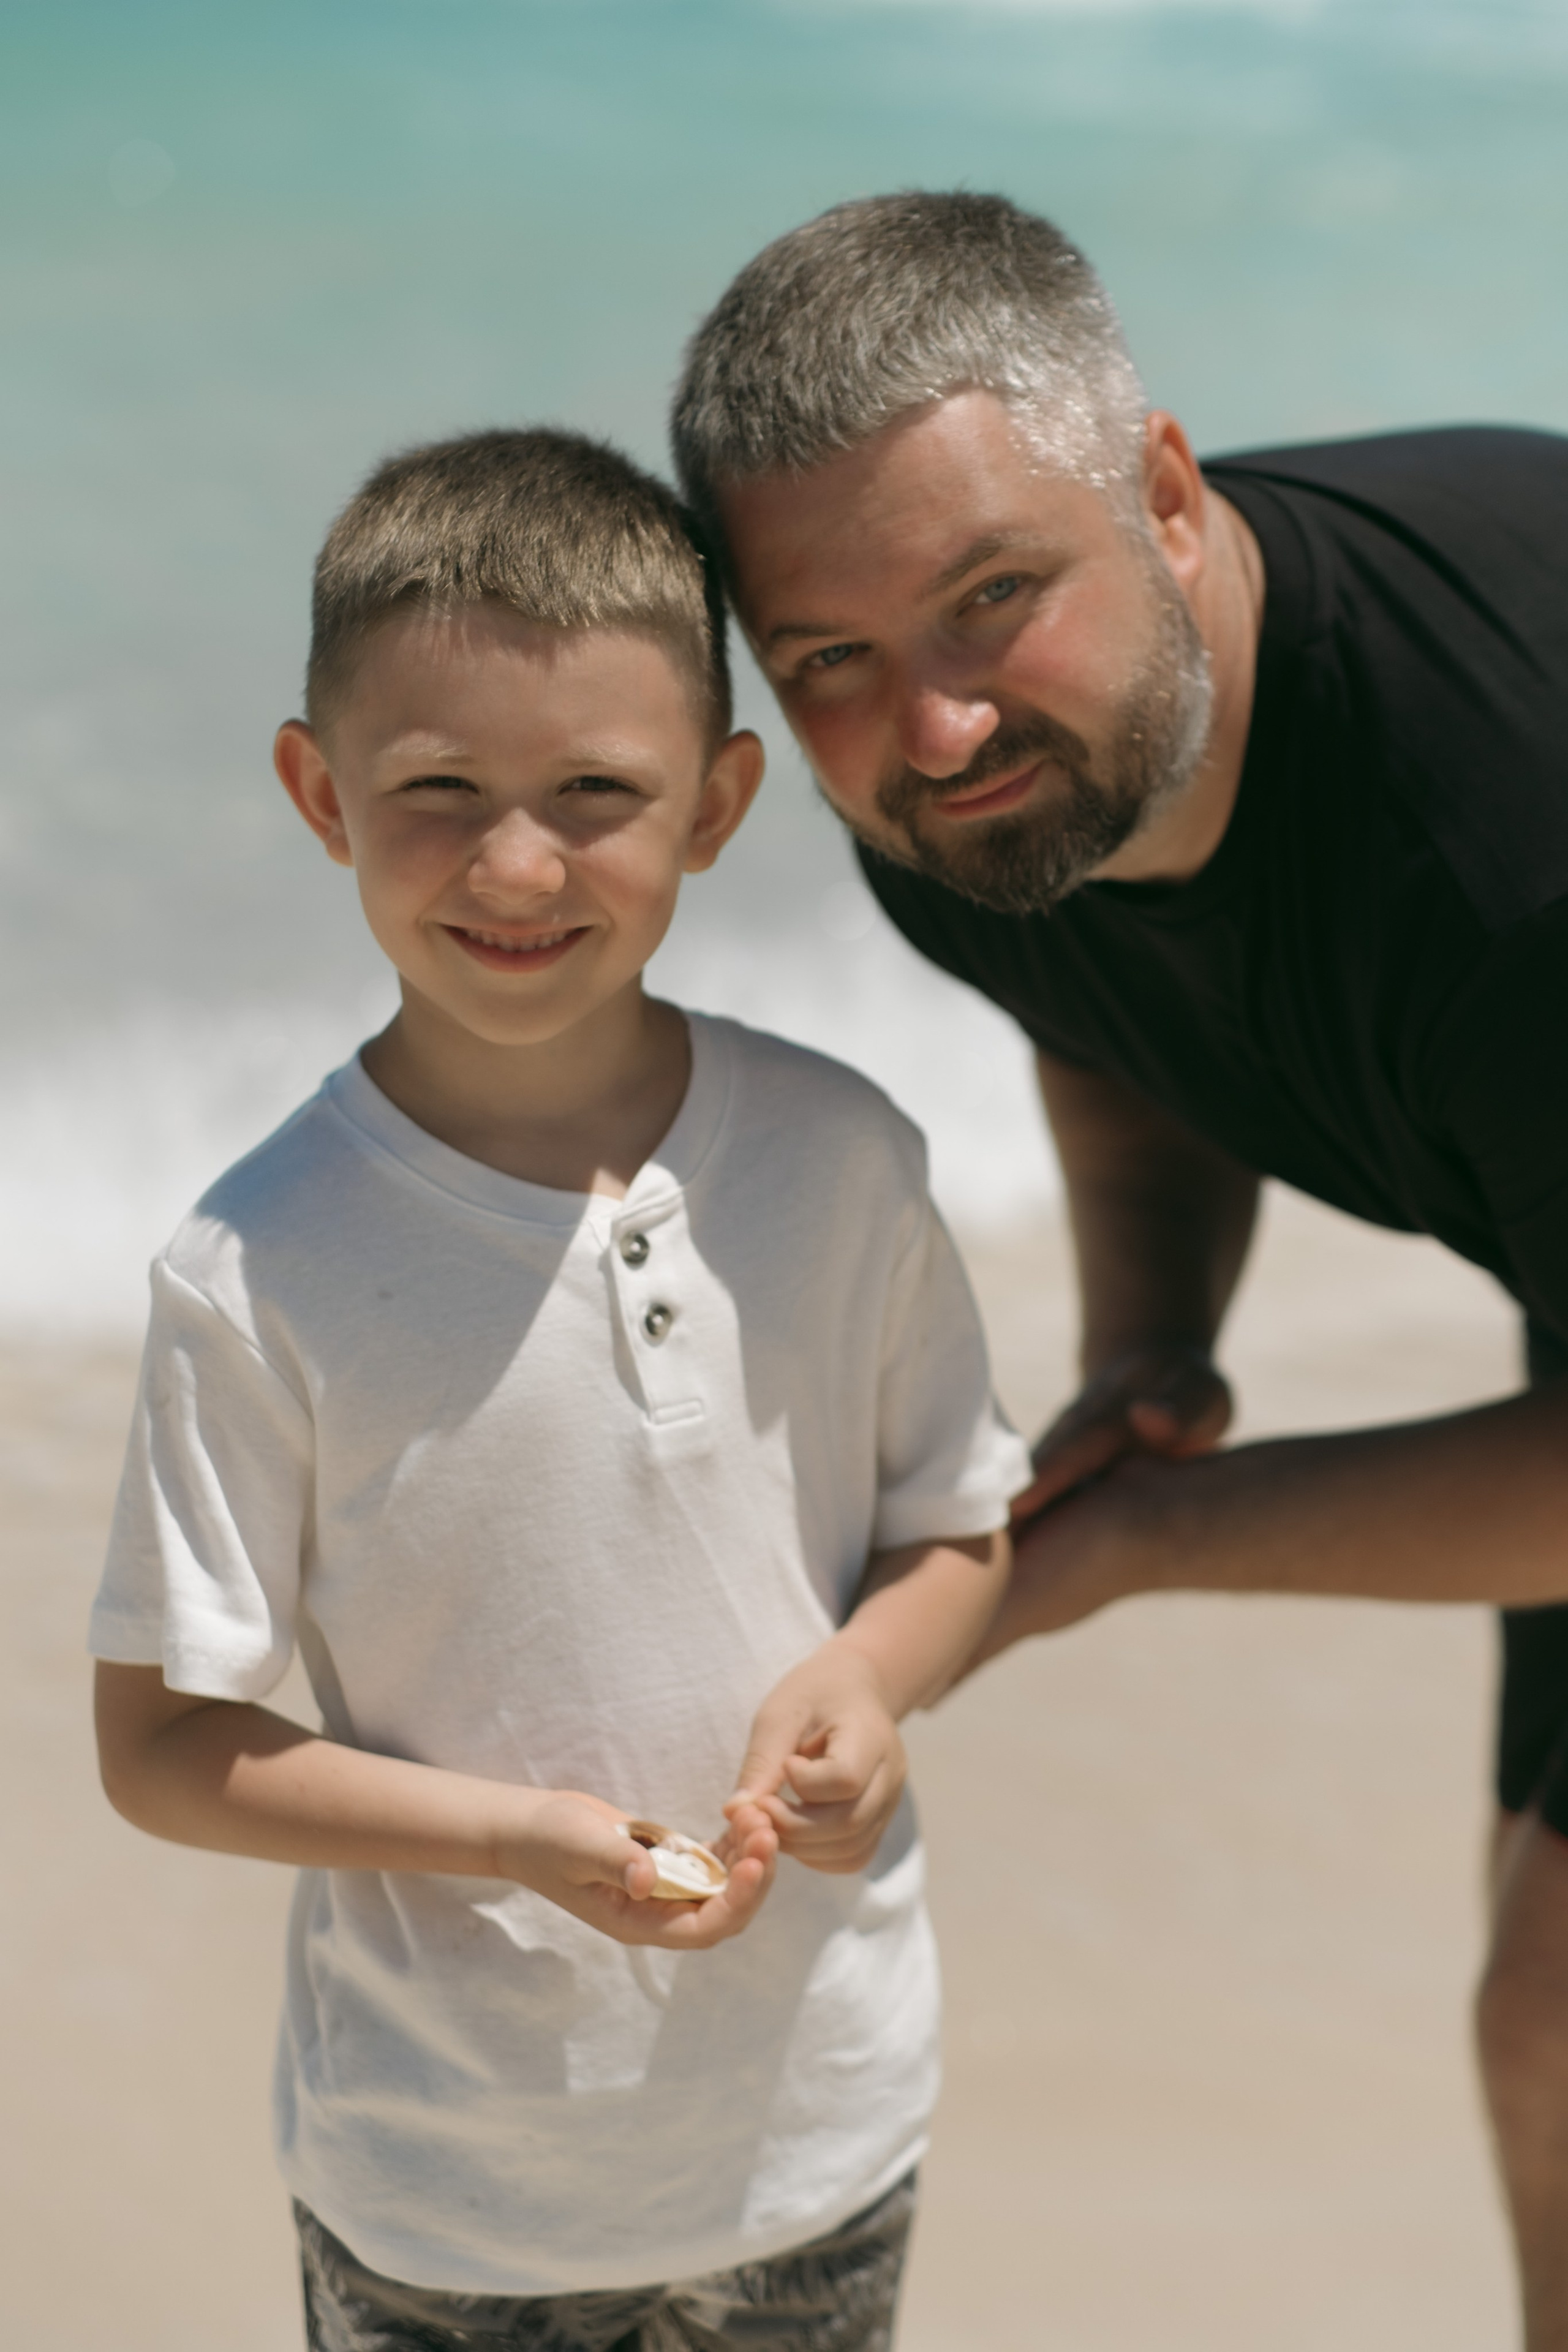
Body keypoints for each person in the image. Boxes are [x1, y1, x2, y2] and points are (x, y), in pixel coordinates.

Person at [672, 191, 1568, 2346]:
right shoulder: (973, 820)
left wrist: (1140, 1543)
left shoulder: (1511, 852)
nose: (942, 723)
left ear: (1164, 494)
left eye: (996, 598)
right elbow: (1120, 1015)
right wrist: (1157, 1336)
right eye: (834, 661)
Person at [89, 427, 1031, 2352]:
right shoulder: (257, 1267)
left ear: (718, 800)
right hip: (449, 2188)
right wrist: (509, 1838)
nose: (517, 862)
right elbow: (165, 1745)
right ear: (316, 791)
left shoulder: (841, 1159)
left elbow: (960, 1526)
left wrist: (869, 1680)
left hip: (816, 2134)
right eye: (436, 788)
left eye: (598, 789)